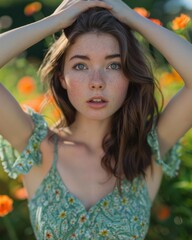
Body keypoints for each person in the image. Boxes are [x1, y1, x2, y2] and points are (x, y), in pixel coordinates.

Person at [0, 0, 192, 239]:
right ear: (62, 78)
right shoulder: (37, 146)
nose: (97, 81)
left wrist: (132, 18)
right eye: (81, 66)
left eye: (113, 65)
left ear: (129, 76)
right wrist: (54, 22)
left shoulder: (148, 149)